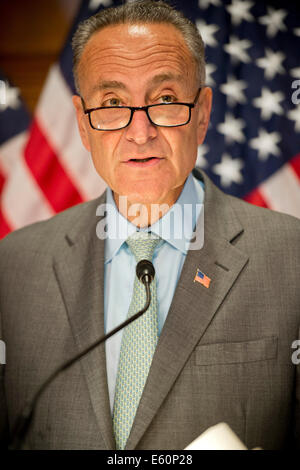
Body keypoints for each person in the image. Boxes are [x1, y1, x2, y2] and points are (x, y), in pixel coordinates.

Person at [0, 0, 299, 450]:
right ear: (82, 126)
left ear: (201, 114)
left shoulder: (292, 258)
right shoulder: (13, 267)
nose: (140, 133)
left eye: (163, 99)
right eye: (113, 103)